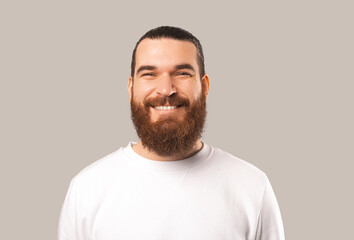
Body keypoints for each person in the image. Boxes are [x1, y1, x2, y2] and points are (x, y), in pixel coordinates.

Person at [58, 26, 285, 240]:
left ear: (204, 87)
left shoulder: (252, 186)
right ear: (131, 88)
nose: (166, 89)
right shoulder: (86, 190)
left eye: (182, 73)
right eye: (149, 74)